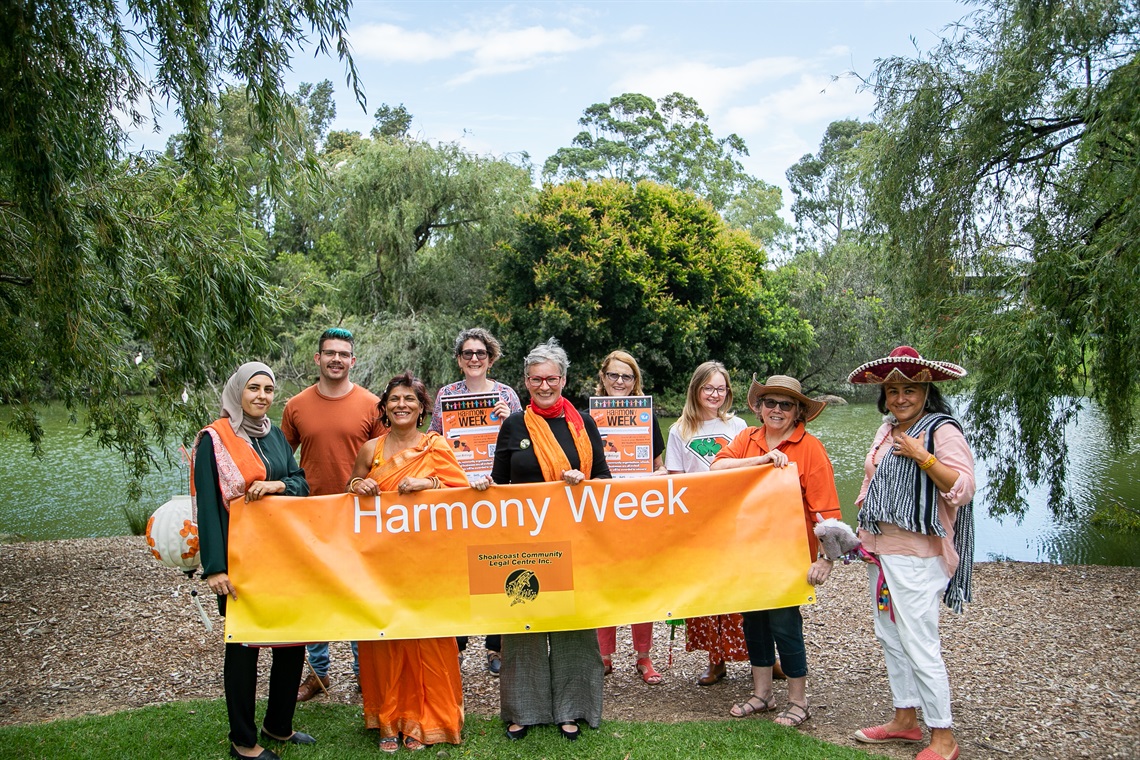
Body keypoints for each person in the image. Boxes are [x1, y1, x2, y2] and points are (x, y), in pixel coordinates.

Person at [847, 346, 975, 760]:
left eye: (910, 390)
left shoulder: (941, 430)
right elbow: (873, 484)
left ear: (926, 391)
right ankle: (905, 719)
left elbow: (963, 487)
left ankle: (944, 737)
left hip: (916, 554)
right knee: (890, 635)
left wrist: (923, 457)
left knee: (920, 641)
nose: (900, 398)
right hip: (880, 549)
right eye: (893, 390)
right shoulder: (886, 430)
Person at [490, 338, 611, 742]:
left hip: (574, 537)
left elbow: (606, 483)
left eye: (551, 378)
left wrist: (585, 482)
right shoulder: (513, 425)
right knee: (523, 623)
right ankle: (522, 709)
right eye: (536, 378)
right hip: (522, 540)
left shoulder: (583, 423)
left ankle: (573, 708)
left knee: (573, 625)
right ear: (525, 381)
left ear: (564, 379)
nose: (544, 386)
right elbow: (499, 485)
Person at [347, 372, 473, 753]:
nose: (402, 405)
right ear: (384, 407)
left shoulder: (436, 446)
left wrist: (428, 485)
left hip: (429, 562)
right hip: (384, 562)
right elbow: (348, 492)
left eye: (410, 400)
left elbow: (463, 492)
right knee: (388, 638)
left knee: (429, 638)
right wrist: (360, 486)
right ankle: (389, 718)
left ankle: (427, 720)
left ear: (422, 409)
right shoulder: (372, 450)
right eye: (395, 399)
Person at [194, 362, 312, 760]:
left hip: (284, 556)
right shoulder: (215, 439)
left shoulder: (276, 435)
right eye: (253, 388)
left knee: (292, 641)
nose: (262, 396)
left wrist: (279, 484)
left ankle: (278, 725)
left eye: (268, 389)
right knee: (245, 647)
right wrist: (215, 567)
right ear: (237, 392)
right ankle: (243, 741)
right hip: (240, 559)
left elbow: (301, 481)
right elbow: (208, 505)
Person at [710, 374, 841, 728]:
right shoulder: (746, 438)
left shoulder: (810, 448)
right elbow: (717, 467)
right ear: (759, 406)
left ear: (798, 410)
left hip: (789, 554)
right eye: (770, 402)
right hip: (748, 550)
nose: (777, 410)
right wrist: (762, 460)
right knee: (754, 621)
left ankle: (798, 701)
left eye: (786, 404)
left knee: (784, 624)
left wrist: (826, 559)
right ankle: (762, 694)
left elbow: (826, 510)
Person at [281, 327, 384, 702]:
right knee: (317, 594)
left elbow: (386, 460)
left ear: (352, 360)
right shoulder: (296, 406)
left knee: (358, 593)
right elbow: (280, 461)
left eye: (343, 353)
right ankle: (319, 674)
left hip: (359, 515)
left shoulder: (373, 405)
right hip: (311, 514)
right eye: (329, 353)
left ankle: (364, 673)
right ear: (318, 359)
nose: (336, 359)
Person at [428, 327, 523, 675]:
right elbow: (434, 439)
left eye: (480, 353)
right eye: (467, 353)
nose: (473, 359)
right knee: (459, 568)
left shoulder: (507, 394)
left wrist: (508, 421)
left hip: (498, 491)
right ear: (458, 359)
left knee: (497, 565)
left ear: (491, 357)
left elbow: (525, 439)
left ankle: (495, 646)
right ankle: (458, 643)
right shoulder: (446, 395)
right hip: (459, 492)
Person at [663, 361, 751, 686]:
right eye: (708, 388)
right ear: (696, 389)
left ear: (727, 392)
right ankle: (716, 660)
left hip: (734, 520)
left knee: (743, 590)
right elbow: (674, 481)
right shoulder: (679, 431)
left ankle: (762, 658)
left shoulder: (739, 425)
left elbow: (749, 471)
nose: (715, 394)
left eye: (721, 388)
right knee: (709, 592)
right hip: (698, 524)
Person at [592, 350, 665, 684]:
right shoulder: (586, 416)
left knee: (639, 582)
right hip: (602, 510)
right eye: (613, 376)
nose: (619, 382)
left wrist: (657, 477)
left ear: (636, 381)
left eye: (627, 376)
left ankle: (643, 657)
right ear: (603, 378)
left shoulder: (646, 416)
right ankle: (603, 656)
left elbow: (658, 465)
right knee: (605, 581)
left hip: (638, 510)